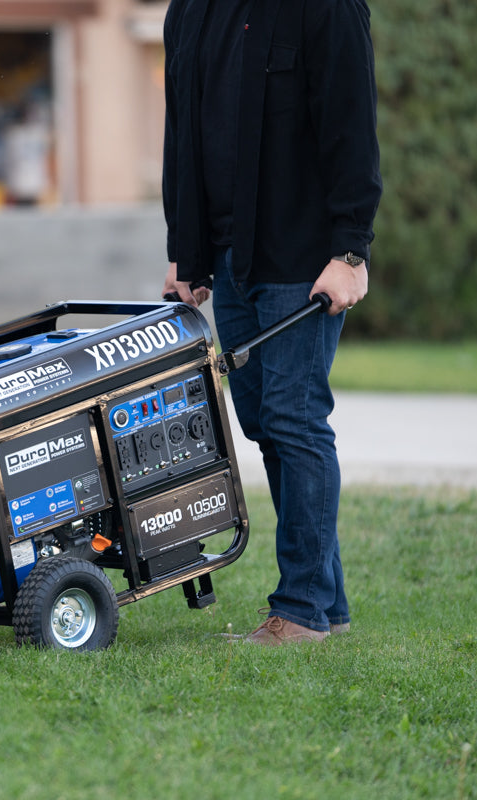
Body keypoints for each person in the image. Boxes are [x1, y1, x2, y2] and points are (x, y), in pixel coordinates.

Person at [161, 0, 381, 645]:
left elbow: (352, 127)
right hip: (229, 256)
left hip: (301, 257)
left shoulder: (325, 7)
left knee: (294, 419)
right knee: (264, 422)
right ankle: (328, 606)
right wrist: (186, 252)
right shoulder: (190, 11)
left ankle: (302, 611)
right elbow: (183, 135)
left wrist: (351, 252)